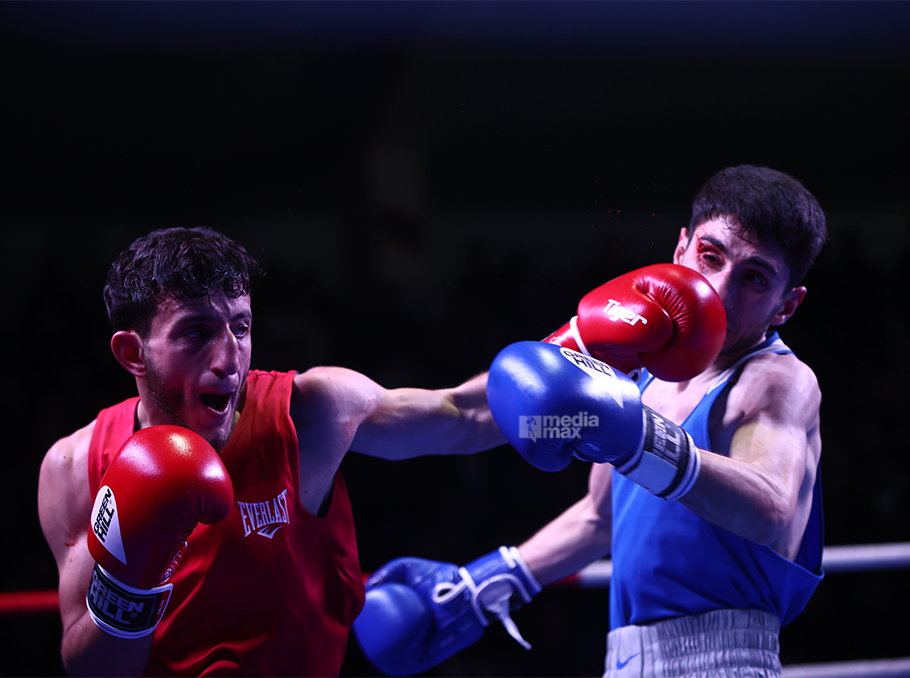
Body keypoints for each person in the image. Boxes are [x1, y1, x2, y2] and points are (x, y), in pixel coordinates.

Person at [354, 165, 827, 678]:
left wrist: (639, 440)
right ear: (681, 249)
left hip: (724, 659)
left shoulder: (778, 380)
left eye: (755, 278)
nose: (720, 289)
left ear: (787, 305)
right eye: (710, 257)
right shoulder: (644, 365)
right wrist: (484, 585)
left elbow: (769, 507)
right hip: (626, 657)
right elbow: (601, 516)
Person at [36, 226, 516, 677]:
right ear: (133, 353)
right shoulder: (75, 466)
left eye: (240, 328)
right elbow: (93, 668)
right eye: (197, 332)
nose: (229, 359)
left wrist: (562, 366)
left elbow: (464, 417)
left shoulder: (309, 414)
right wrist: (129, 584)